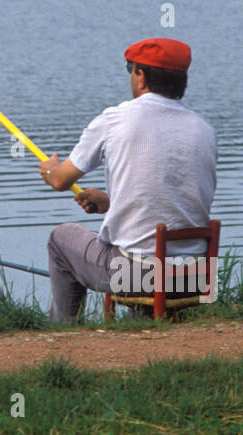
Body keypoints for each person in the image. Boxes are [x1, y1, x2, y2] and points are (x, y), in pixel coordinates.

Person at [38, 38, 217, 323]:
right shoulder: (204, 130)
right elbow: (173, 199)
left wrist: (50, 168)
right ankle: (146, 328)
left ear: (141, 76)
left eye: (130, 70)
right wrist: (111, 203)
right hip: (194, 277)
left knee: (60, 239)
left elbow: (60, 180)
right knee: (138, 250)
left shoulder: (115, 119)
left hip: (138, 275)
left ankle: (62, 332)